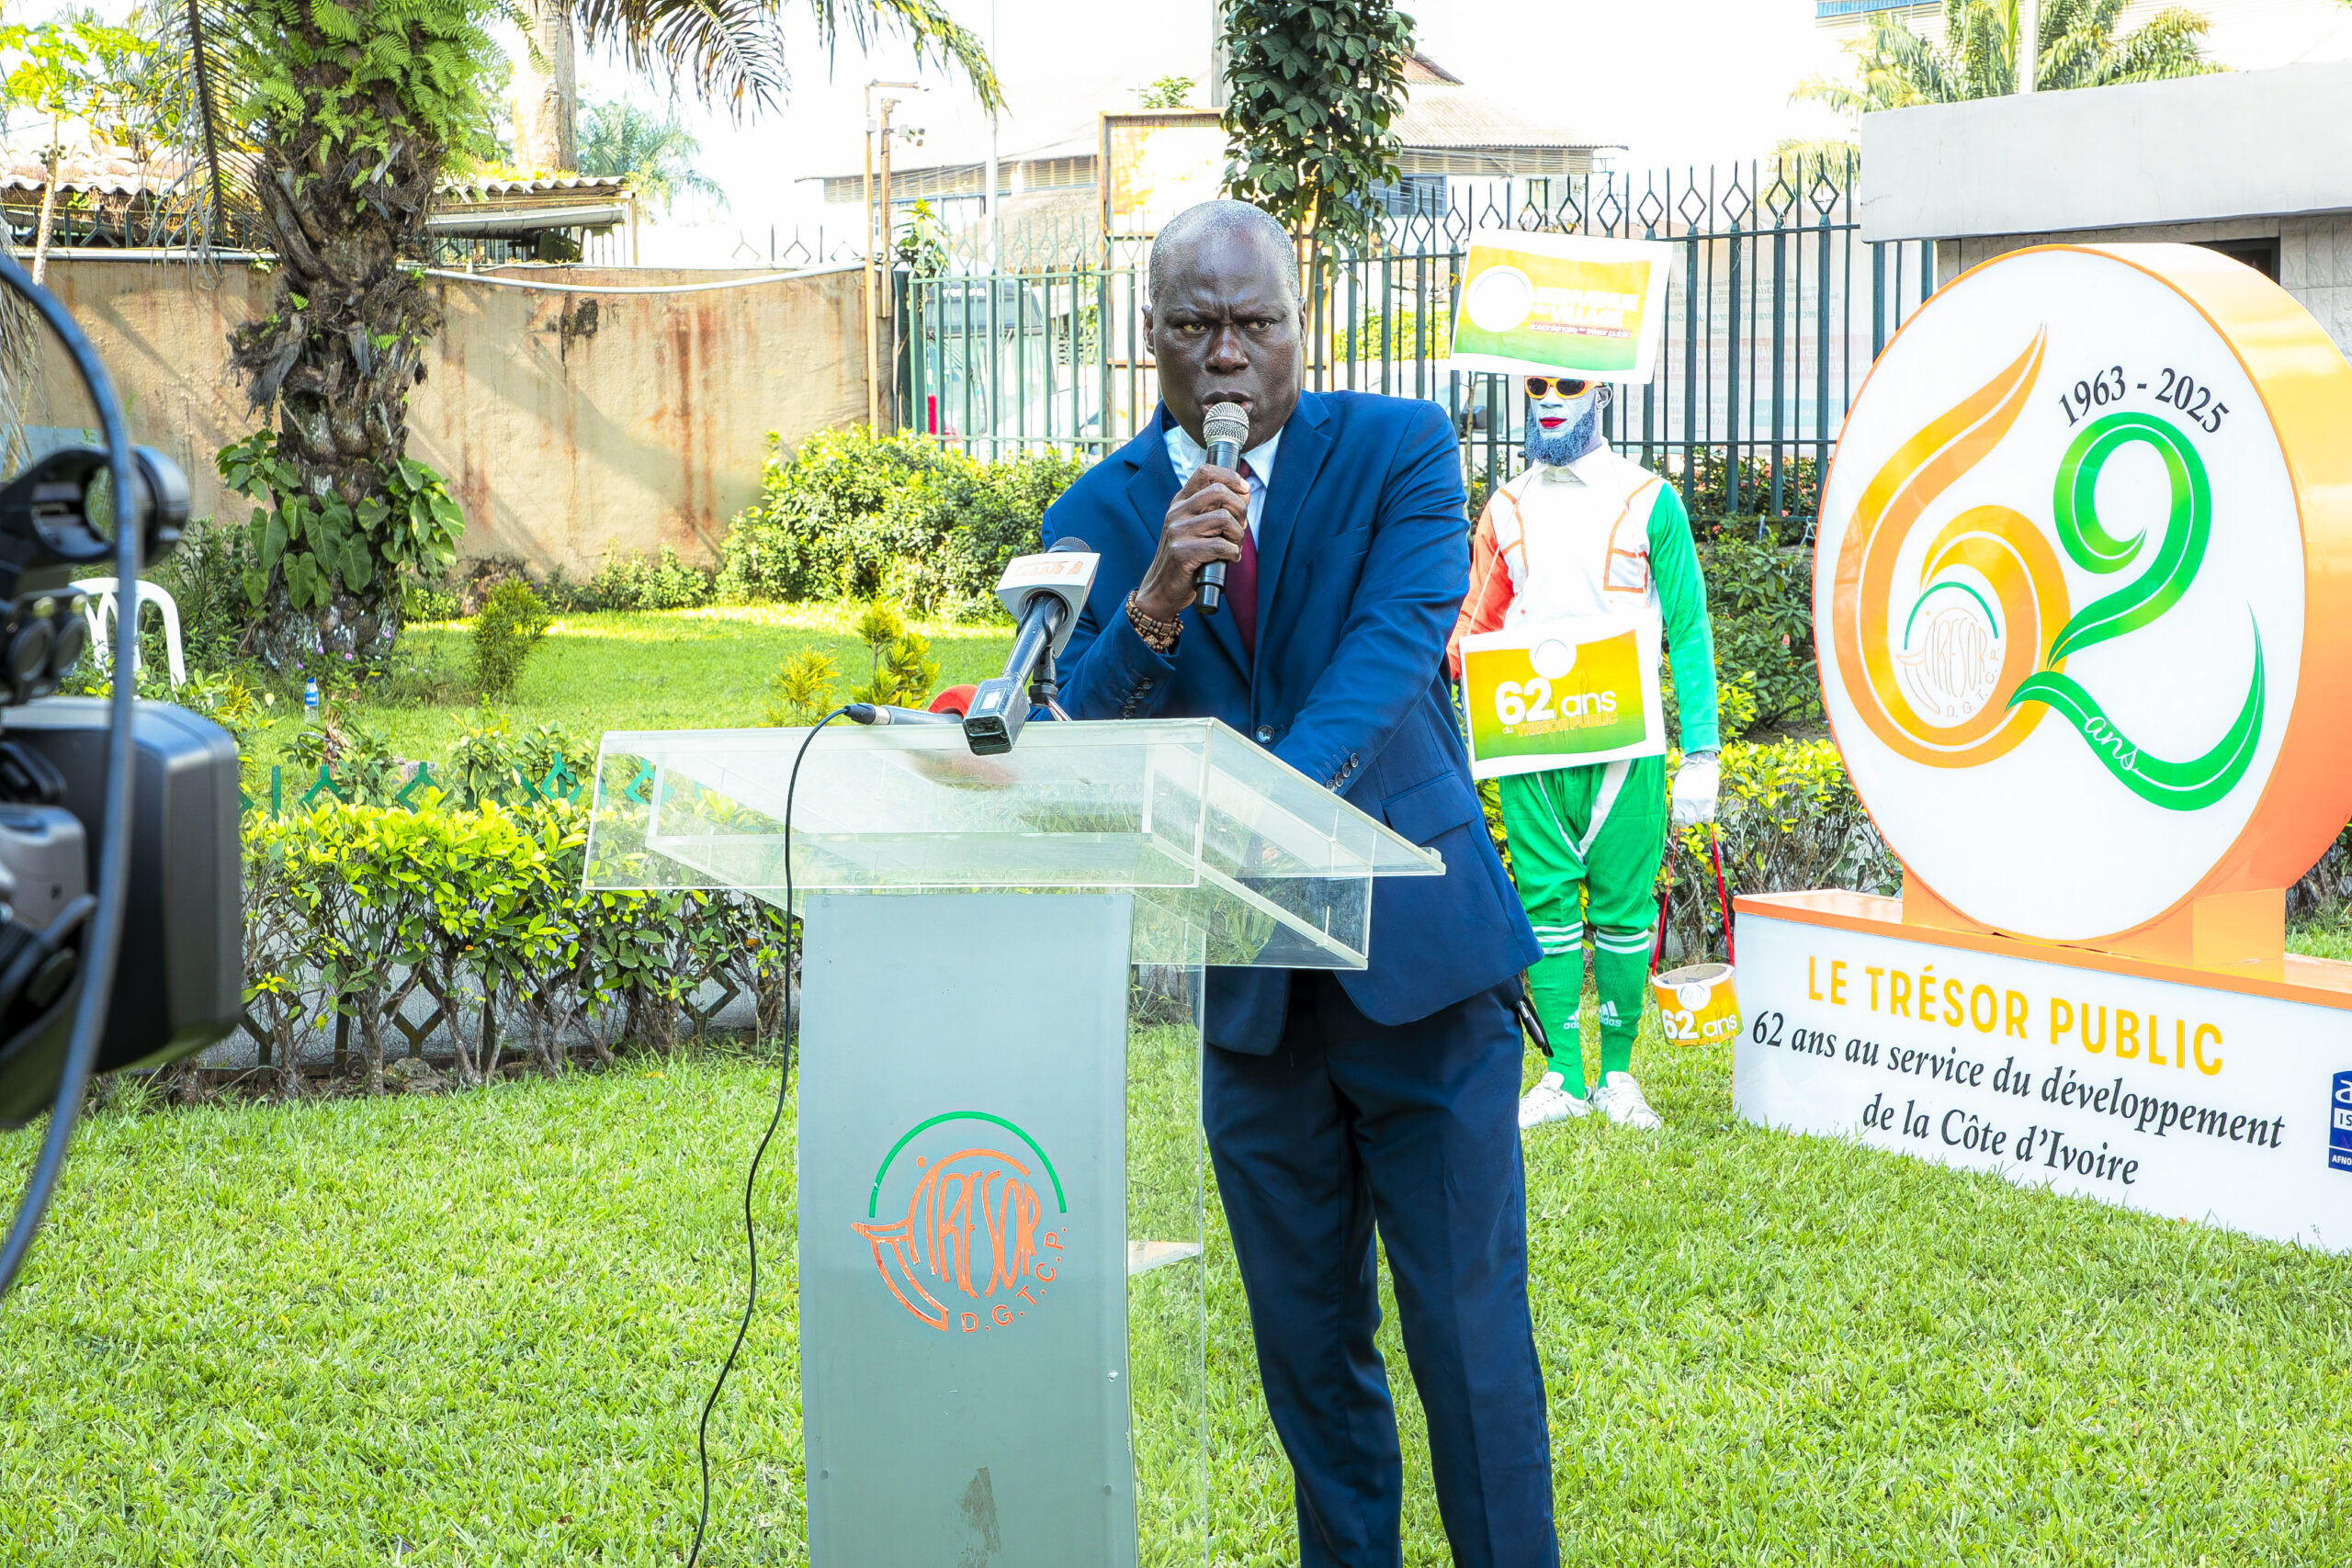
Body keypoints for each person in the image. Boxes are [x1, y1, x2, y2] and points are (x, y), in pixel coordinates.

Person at [1040, 199, 1556, 1568]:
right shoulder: (1095, 515)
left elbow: (1393, 652)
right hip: (1253, 1000)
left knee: (1470, 1343)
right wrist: (1155, 599)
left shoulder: (1400, 449)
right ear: (1149, 335)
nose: (1226, 353)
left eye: (1254, 322)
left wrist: (1262, 803)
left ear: (1300, 324)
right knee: (1308, 1359)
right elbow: (1073, 737)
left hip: (1421, 972)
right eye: (1195, 325)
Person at [1447, 376, 1721, 1133]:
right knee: (1545, 903)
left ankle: (1618, 1074)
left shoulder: (1650, 499)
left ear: (1601, 391)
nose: (1549, 398)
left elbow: (1688, 627)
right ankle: (1564, 1075)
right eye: (1536, 384)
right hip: (1530, 734)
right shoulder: (1505, 507)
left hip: (1624, 738)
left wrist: (1703, 750)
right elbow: (1473, 625)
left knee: (1625, 909)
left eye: (1567, 384)